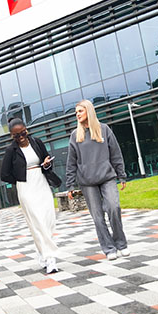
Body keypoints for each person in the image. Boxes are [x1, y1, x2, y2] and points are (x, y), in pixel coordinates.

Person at [65, 99, 129, 261]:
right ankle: (109, 248)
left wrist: (121, 175)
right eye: (76, 112)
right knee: (98, 217)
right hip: (87, 182)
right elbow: (71, 162)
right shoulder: (75, 136)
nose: (77, 115)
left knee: (114, 207)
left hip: (107, 177)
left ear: (89, 111)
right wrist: (70, 184)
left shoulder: (104, 130)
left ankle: (121, 244)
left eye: (80, 111)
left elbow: (115, 153)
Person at [0, 118, 63, 274]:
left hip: (41, 183)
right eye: (16, 135)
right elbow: (4, 174)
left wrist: (47, 164)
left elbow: (46, 160)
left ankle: (42, 252)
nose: (20, 137)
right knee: (37, 222)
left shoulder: (37, 142)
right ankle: (50, 259)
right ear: (11, 136)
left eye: (22, 133)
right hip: (26, 187)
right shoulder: (11, 151)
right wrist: (20, 179)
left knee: (48, 220)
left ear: (26, 130)